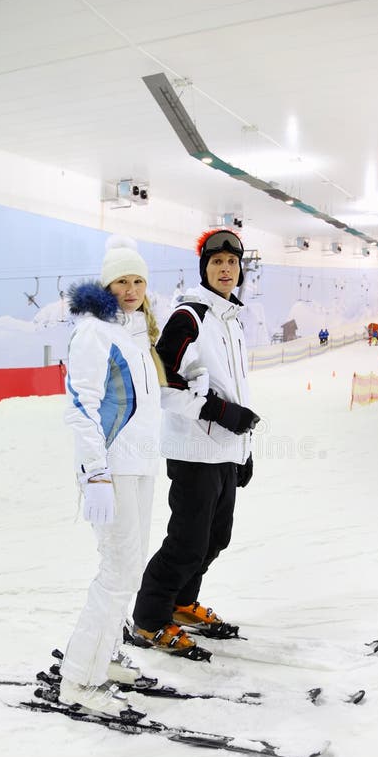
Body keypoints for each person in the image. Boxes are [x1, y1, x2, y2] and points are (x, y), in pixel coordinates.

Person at [130, 229, 260, 657]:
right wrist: (220, 413)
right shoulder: (191, 317)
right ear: (204, 268)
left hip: (223, 451)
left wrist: (242, 451)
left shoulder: (231, 321)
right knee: (186, 543)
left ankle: (182, 604)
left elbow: (233, 387)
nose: (226, 269)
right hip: (192, 452)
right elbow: (161, 381)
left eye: (232, 263)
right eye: (217, 262)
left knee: (215, 539)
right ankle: (149, 620)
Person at [58, 236, 166, 715]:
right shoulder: (94, 333)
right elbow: (81, 406)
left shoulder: (132, 335)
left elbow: (142, 406)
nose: (131, 288)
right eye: (122, 280)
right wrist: (95, 474)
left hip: (141, 467)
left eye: (138, 279)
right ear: (107, 285)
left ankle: (108, 653)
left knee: (131, 568)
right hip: (113, 471)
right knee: (116, 571)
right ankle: (80, 678)